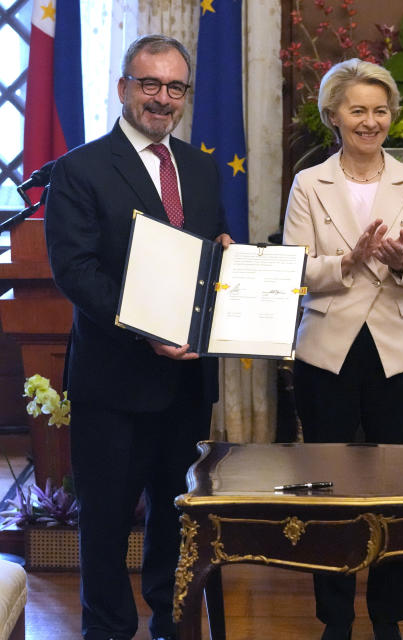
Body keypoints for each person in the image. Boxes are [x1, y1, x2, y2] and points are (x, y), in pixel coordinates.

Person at [44, 35, 233, 640]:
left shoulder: (200, 168)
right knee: (105, 523)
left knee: (175, 520)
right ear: (123, 87)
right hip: (116, 380)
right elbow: (77, 273)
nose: (162, 98)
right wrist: (147, 331)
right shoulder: (80, 169)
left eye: (175, 87)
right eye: (149, 84)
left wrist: (228, 261)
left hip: (186, 379)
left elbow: (213, 249)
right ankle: (108, 630)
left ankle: (172, 624)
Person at [282, 58, 403, 640]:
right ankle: (334, 617)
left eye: (380, 110)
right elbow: (295, 270)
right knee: (325, 489)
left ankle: (388, 618)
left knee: (396, 490)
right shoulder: (309, 183)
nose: (371, 121)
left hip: (397, 351)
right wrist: (346, 262)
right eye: (358, 110)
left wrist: (401, 262)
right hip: (326, 350)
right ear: (334, 115)